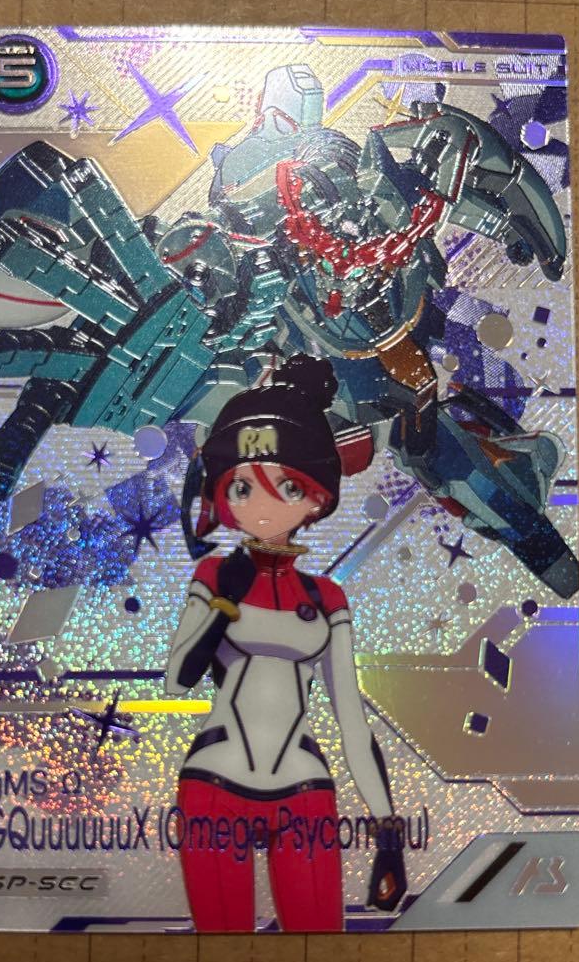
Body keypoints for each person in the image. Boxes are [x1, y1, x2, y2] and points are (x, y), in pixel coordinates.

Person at [165, 354, 407, 932]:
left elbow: (351, 720)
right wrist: (223, 606)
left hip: (304, 789)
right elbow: (178, 679)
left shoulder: (325, 598)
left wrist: (387, 830)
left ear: (315, 498)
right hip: (215, 784)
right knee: (218, 952)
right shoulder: (214, 576)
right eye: (242, 487)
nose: (263, 505)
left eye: (288, 487)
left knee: (319, 944)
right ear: (222, 494)